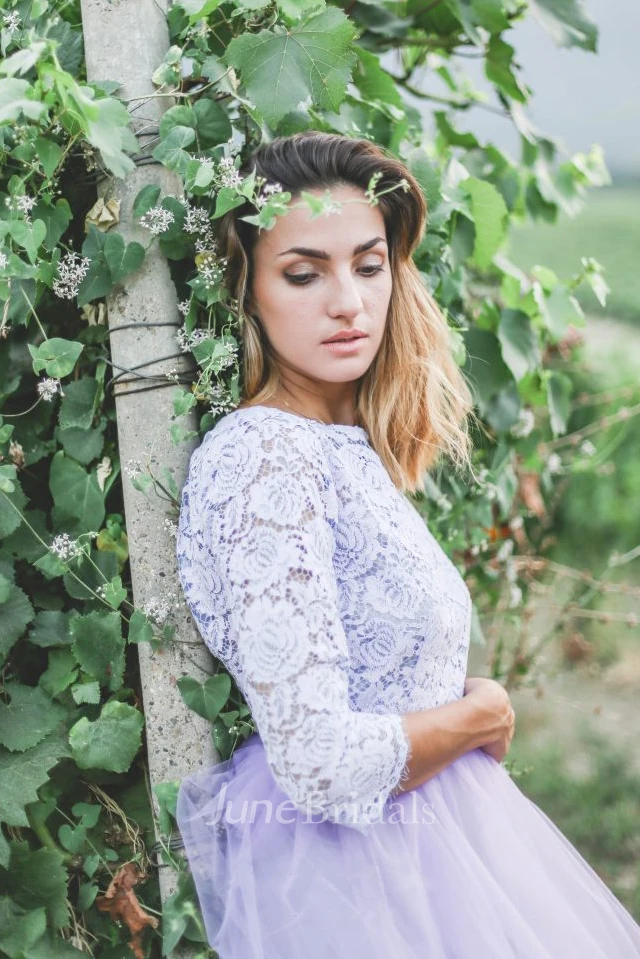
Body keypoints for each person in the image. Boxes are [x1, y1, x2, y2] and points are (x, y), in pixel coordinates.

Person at [175, 131, 640, 957]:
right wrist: (478, 713)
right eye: (303, 272)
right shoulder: (265, 457)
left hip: (433, 861)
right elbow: (317, 759)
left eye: (369, 263)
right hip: (356, 886)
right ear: (248, 290)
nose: (348, 301)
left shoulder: (335, 445)